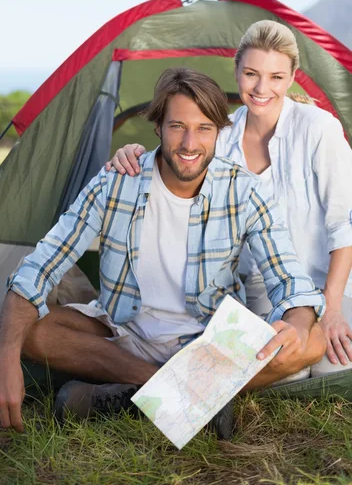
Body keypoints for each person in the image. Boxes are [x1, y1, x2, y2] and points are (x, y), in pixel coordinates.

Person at [0, 67, 326, 434]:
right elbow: (39, 267)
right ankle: (190, 400)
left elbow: (288, 278)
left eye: (204, 129)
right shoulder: (116, 183)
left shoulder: (245, 190)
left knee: (312, 340)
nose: (190, 143)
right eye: (177, 126)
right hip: (125, 338)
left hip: (211, 344)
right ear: (157, 128)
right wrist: (4, 357)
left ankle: (132, 397)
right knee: (31, 331)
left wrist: (298, 322)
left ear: (219, 133)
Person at [107, 20, 352, 378]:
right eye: (252, 73)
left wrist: (330, 309)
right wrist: (131, 153)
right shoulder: (222, 138)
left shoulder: (319, 129)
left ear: (292, 76)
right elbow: (177, 158)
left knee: (334, 368)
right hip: (261, 288)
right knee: (289, 370)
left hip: (329, 281)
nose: (262, 88)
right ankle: (155, 388)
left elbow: (342, 224)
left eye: (276, 77)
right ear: (236, 70)